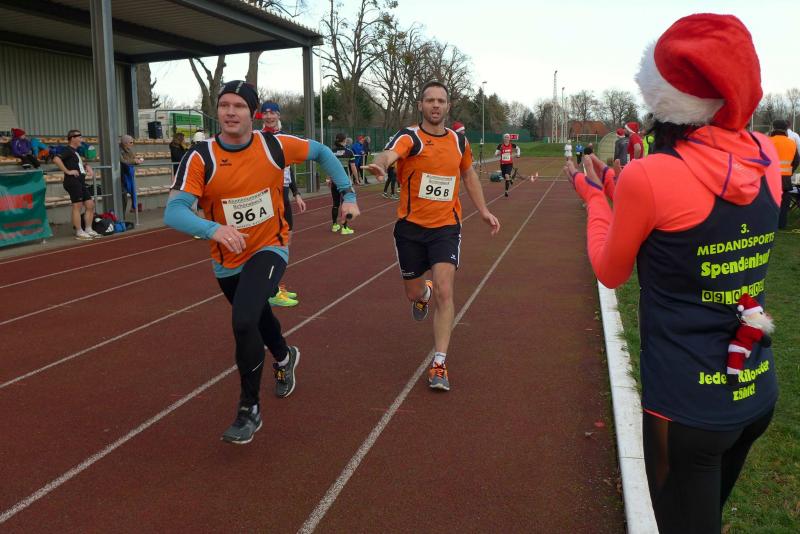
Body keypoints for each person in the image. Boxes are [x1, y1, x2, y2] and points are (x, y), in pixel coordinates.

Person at [567, 14, 780, 533]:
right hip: (753, 389)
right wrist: (615, 182)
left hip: (686, 407)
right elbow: (676, 204)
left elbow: (610, 270)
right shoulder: (766, 156)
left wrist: (594, 199)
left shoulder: (651, 175)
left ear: (663, 96)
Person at [164, 80, 359, 444]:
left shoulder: (274, 146)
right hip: (227, 257)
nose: (230, 112)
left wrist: (348, 193)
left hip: (271, 245)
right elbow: (173, 211)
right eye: (224, 105)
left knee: (243, 320)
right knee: (258, 316)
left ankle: (248, 409)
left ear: (252, 113)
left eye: (239, 106)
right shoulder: (201, 156)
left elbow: (321, 152)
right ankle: (284, 357)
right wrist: (213, 229)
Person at [363, 81, 500, 391]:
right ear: (421, 105)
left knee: (445, 290)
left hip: (445, 228)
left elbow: (468, 174)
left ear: (448, 106)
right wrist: (381, 165)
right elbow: (390, 153)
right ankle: (422, 293)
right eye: (430, 100)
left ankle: (439, 362)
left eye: (441, 100)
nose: (436, 105)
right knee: (414, 294)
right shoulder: (410, 137)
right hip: (410, 229)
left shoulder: (459, 141)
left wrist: (483, 210)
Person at [260, 105, 305, 306]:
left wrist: (297, 194)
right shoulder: (258, 138)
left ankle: (274, 286)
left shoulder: (285, 138)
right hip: (269, 194)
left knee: (287, 239)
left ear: (278, 115)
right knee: (273, 243)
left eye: (272, 113)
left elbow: (289, 169)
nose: (269, 116)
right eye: (265, 113)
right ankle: (271, 291)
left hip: (284, 193)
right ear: (261, 116)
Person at [53, 129, 101, 240]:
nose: (81, 139)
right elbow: (56, 159)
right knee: (77, 206)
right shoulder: (67, 150)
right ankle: (79, 231)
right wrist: (67, 171)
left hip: (80, 182)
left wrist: (86, 166)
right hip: (72, 182)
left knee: (90, 205)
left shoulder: (75, 151)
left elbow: (77, 164)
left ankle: (88, 229)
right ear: (72, 138)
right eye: (79, 137)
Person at [767, 119, 799, 229]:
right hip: (786, 179)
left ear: (774, 128)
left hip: (770, 178)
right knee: (784, 203)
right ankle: (781, 224)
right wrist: (789, 172)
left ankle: (769, 223)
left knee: (770, 201)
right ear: (786, 129)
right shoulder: (792, 143)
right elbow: (796, 161)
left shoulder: (768, 141)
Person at [331, 132, 356, 234]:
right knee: (345, 204)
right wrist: (357, 178)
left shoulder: (331, 151)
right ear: (344, 140)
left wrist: (329, 178)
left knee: (335, 204)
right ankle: (344, 228)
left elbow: (328, 166)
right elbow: (353, 167)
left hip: (334, 181)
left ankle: (334, 225)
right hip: (345, 182)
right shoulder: (349, 152)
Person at [119, 134, 144, 216]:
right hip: (120, 175)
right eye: (131, 142)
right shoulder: (118, 150)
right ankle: (121, 216)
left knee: (126, 194)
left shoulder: (129, 150)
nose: (132, 144)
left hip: (127, 174)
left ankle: (123, 215)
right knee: (123, 196)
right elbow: (122, 161)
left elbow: (132, 159)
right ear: (125, 143)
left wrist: (137, 160)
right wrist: (134, 161)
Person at [494, 133, 521, 197]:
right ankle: (511, 179)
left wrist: (518, 154)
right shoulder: (500, 145)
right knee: (504, 176)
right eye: (505, 137)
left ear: (509, 138)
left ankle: (506, 191)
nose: (506, 138)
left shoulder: (512, 145)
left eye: (507, 137)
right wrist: (499, 152)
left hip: (509, 163)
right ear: (503, 138)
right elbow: (495, 154)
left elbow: (518, 148)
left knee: (506, 175)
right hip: (502, 164)